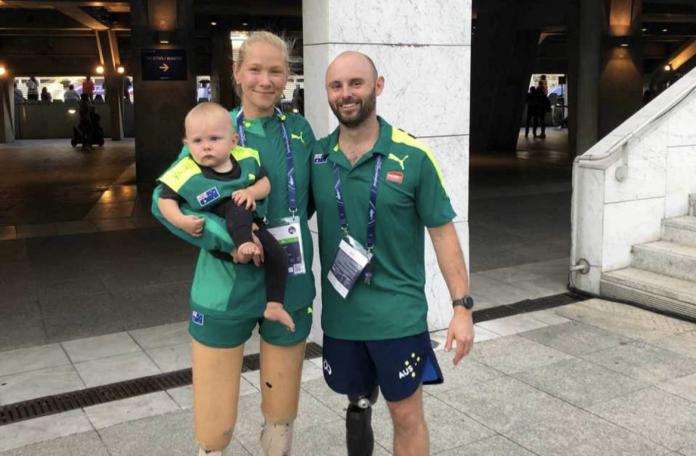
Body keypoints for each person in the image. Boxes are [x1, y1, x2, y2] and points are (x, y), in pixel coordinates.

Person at [150, 31, 317, 456]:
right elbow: (163, 200)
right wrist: (231, 241)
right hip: (224, 286)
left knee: (282, 403)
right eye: (255, 69)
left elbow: (317, 197)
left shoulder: (298, 129)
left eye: (276, 70)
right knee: (215, 411)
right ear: (237, 73)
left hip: (289, 280)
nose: (265, 80)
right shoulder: (213, 127)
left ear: (287, 76)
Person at [311, 51, 475, 456]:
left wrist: (462, 307)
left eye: (356, 83)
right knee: (357, 406)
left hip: (398, 318)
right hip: (341, 317)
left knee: (405, 414)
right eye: (336, 85)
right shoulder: (315, 157)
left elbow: (443, 235)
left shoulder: (413, 156)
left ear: (378, 86)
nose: (346, 94)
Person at [157, 102, 295, 331]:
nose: (206, 147)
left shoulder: (245, 159)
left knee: (279, 255)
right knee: (236, 206)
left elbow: (265, 183)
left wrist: (251, 191)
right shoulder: (185, 170)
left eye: (214, 139)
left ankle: (274, 305)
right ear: (186, 144)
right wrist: (180, 221)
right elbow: (164, 200)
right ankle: (240, 247)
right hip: (220, 234)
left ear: (233, 141)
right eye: (198, 141)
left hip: (252, 225)